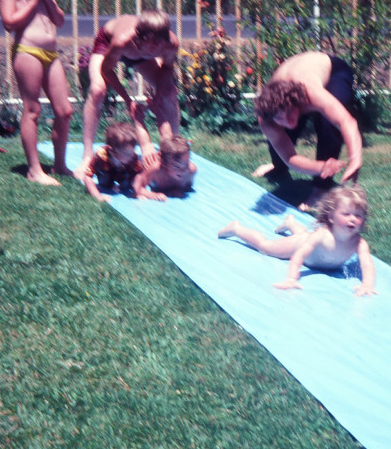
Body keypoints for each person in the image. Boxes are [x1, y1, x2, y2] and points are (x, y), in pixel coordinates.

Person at [0, 0, 74, 185]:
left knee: (64, 111)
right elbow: (9, 22)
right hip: (27, 51)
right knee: (33, 110)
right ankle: (34, 170)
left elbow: (59, 20)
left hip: (50, 54)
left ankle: (60, 165)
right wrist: (33, 2)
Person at [74, 9, 181, 179]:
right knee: (97, 90)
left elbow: (167, 69)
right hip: (108, 44)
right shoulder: (121, 41)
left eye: (159, 44)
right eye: (151, 43)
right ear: (141, 37)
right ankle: (87, 155)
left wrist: (159, 94)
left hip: (139, 55)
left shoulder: (170, 43)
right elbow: (106, 70)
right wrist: (128, 100)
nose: (155, 48)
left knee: (169, 92)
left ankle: (174, 151)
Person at [217, 184, 376, 296]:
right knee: (266, 247)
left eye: (358, 215)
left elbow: (367, 263)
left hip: (307, 241)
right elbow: (298, 256)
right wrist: (292, 278)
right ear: (331, 217)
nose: (353, 219)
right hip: (297, 245)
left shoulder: (359, 243)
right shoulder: (321, 235)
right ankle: (236, 229)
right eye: (346, 214)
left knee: (304, 234)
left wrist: (367, 284)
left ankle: (290, 222)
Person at [252, 51, 364, 210]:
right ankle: (277, 166)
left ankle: (321, 187)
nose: (288, 121)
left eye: (290, 113)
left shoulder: (310, 93)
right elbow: (290, 157)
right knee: (281, 135)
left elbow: (346, 121)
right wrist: (322, 167)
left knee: (328, 123)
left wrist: (355, 159)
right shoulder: (266, 117)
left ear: (298, 103)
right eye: (280, 118)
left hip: (333, 70)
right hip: (295, 70)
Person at [79, 121, 145, 203]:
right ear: (111, 151)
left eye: (132, 151)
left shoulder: (132, 156)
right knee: (105, 183)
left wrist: (136, 192)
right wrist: (97, 195)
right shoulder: (101, 156)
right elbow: (88, 176)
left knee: (128, 184)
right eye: (126, 153)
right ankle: (109, 184)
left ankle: (122, 184)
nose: (131, 155)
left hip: (124, 171)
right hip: (107, 170)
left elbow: (139, 175)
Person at [132, 135, 197, 200]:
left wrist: (178, 190)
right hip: (151, 164)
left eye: (186, 164)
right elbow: (137, 186)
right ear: (164, 165)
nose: (183, 170)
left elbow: (187, 188)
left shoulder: (191, 170)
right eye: (177, 167)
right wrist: (153, 195)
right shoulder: (156, 170)